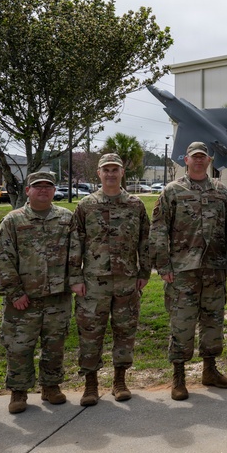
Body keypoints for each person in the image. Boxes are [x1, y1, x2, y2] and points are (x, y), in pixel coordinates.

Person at [150, 141, 227, 400]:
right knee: (182, 324)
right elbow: (159, 228)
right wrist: (163, 265)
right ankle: (179, 377)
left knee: (213, 321)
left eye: (203, 157)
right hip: (182, 270)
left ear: (209, 160)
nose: (199, 161)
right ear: (185, 160)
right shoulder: (171, 191)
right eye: (194, 157)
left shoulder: (220, 191)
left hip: (214, 268)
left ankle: (210, 370)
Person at [0, 171, 75, 414]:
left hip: (57, 297)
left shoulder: (66, 219)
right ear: (28, 190)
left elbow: (76, 254)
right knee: (19, 347)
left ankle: (51, 386)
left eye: (48, 186)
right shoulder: (13, 220)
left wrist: (73, 283)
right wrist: (14, 293)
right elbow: (1, 258)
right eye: (37, 186)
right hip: (23, 300)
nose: (43, 190)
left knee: (55, 344)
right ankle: (18, 392)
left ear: (54, 190)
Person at [70, 153, 151, 406]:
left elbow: (145, 241)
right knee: (90, 333)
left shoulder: (135, 205)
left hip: (127, 280)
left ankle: (120, 380)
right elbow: (76, 243)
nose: (111, 174)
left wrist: (144, 273)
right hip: (93, 282)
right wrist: (75, 277)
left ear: (122, 172)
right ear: (99, 173)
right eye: (106, 170)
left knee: (125, 331)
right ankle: (90, 384)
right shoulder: (86, 205)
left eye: (115, 169)